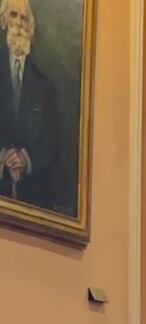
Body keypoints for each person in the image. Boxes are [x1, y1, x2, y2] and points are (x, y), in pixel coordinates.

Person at [0, 0, 60, 210]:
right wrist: (2, 155)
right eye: (13, 15)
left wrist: (26, 158)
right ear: (4, 21)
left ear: (31, 28)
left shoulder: (45, 85)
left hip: (33, 201)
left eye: (24, 18)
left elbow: (54, 143)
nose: (18, 23)